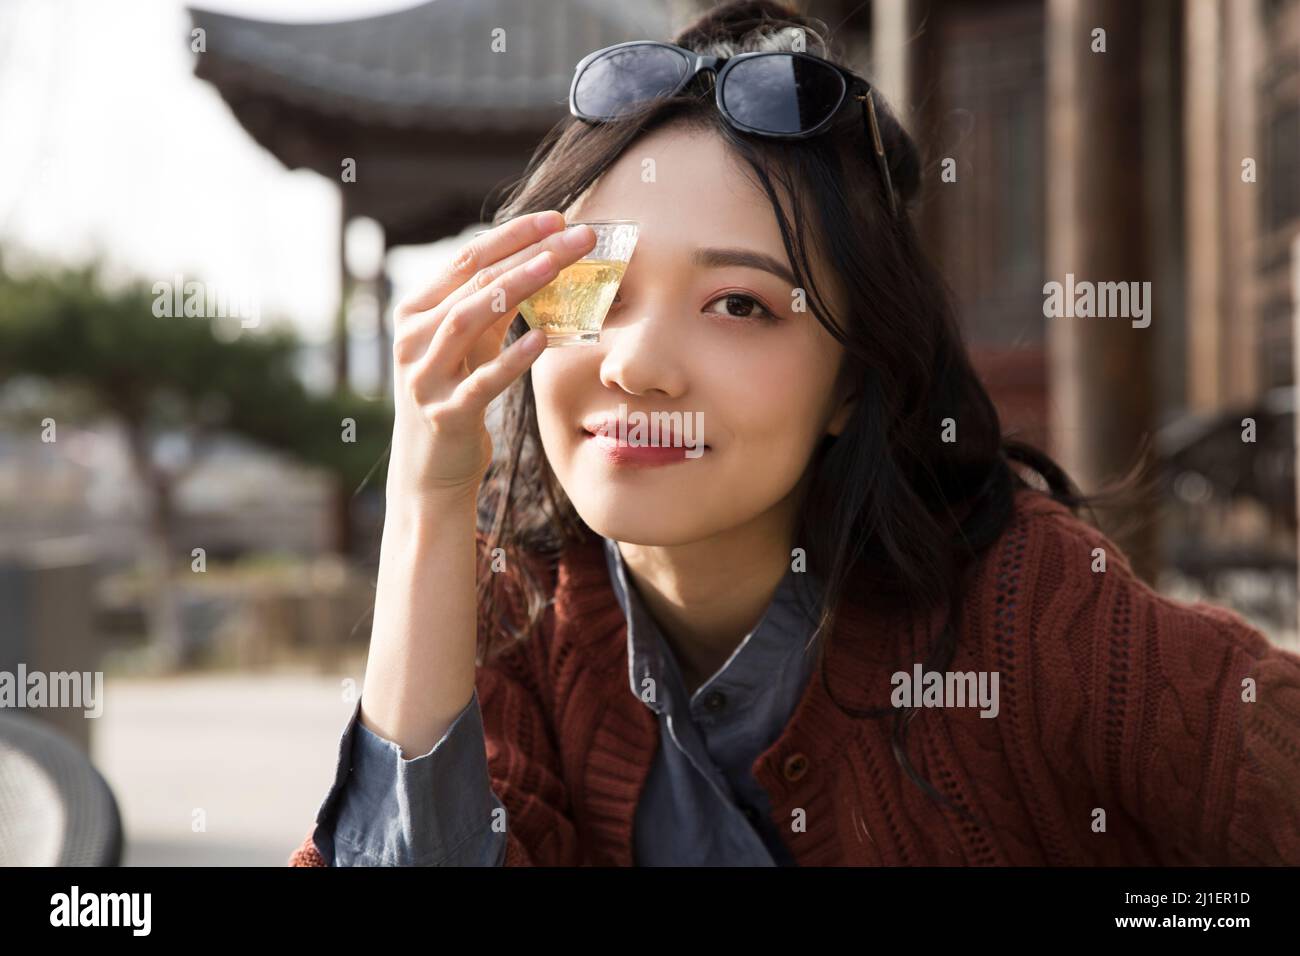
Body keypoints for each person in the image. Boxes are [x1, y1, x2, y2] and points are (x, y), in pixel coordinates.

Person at [289, 0, 1300, 867]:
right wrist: (426, 502)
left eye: (738, 304)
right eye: (588, 291)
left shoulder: (1032, 616)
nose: (634, 362)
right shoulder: (506, 622)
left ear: (853, 381)